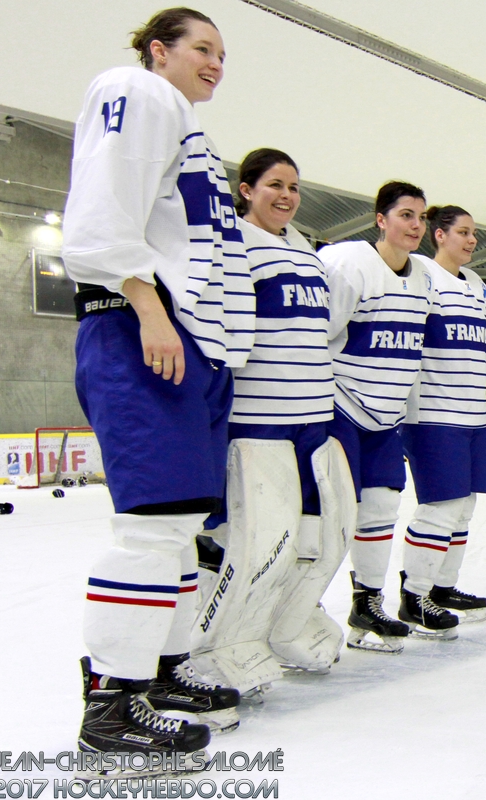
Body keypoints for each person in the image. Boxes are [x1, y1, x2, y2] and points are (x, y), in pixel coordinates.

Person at [63, 7, 247, 754]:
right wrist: (145, 305)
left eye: (223, 53)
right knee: (149, 529)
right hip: (145, 328)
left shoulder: (186, 126)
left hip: (189, 340)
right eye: (202, 48)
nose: (215, 62)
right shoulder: (137, 91)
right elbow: (102, 214)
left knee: (178, 531)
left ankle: (161, 670)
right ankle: (111, 704)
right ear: (158, 50)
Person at [190, 148, 343, 693]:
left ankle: (282, 624)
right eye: (274, 184)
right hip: (259, 420)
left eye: (294, 187)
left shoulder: (304, 250)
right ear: (246, 189)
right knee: (257, 541)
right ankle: (218, 643)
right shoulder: (234, 243)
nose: (286, 196)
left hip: (311, 419)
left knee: (314, 536)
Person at [320, 181, 437, 649]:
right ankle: (299, 608)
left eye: (421, 217)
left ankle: (366, 605)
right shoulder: (349, 264)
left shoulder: (424, 277)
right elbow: (321, 336)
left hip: (386, 417)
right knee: (331, 515)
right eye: (406, 215)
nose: (416, 225)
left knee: (381, 509)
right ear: (380, 220)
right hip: (341, 406)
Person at [396, 205, 486, 633]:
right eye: (463, 232)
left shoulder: (475, 283)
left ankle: (441, 587)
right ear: (439, 235)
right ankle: (413, 595)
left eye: (474, 234)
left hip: (474, 413)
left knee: (464, 508)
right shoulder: (420, 273)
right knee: (440, 506)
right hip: (434, 412)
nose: (472, 240)